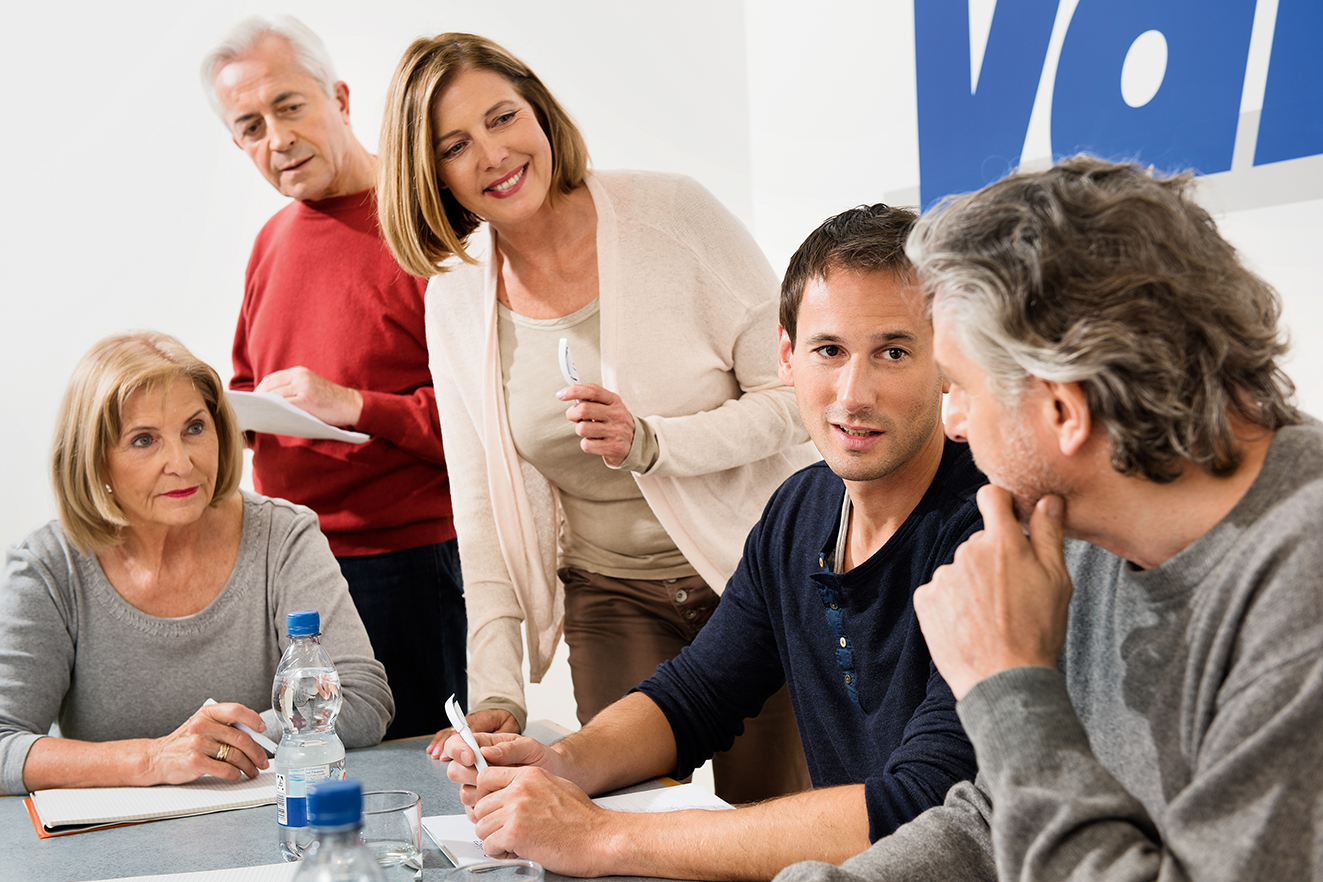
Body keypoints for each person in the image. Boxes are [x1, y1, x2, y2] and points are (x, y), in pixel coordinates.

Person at [775, 156, 1323, 882]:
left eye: (962, 387)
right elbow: (1000, 814)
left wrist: (1008, 687)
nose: (955, 421)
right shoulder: (1087, 532)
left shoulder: (1302, 582)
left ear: (1063, 410)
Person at [440, 205, 983, 881]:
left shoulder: (988, 530)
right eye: (828, 350)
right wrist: (564, 762)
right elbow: (694, 694)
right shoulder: (799, 509)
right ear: (786, 356)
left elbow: (921, 806)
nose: (853, 392)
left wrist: (603, 835)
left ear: (950, 359)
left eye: (893, 352)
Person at [375, 32, 818, 802]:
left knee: (775, 824)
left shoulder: (673, 215)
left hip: (753, 579)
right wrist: (497, 696)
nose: (492, 153)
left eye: (502, 117)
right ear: (432, 175)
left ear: (539, 110)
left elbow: (794, 398)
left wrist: (653, 443)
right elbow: (482, 517)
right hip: (611, 597)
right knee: (620, 828)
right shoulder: (453, 302)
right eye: (454, 145)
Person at [201, 16, 465, 740]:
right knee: (312, 765)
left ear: (339, 98)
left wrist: (352, 405)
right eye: (250, 125)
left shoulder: (427, 226)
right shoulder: (273, 240)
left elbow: (488, 425)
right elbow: (248, 378)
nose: (277, 139)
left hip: (406, 562)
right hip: (290, 561)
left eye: (289, 106)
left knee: (418, 767)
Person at [0, 332, 392, 796]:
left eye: (194, 428)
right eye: (144, 440)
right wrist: (154, 758)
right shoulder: (48, 565)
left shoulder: (283, 535)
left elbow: (362, 698)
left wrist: (216, 746)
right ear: (95, 462)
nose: (182, 463)